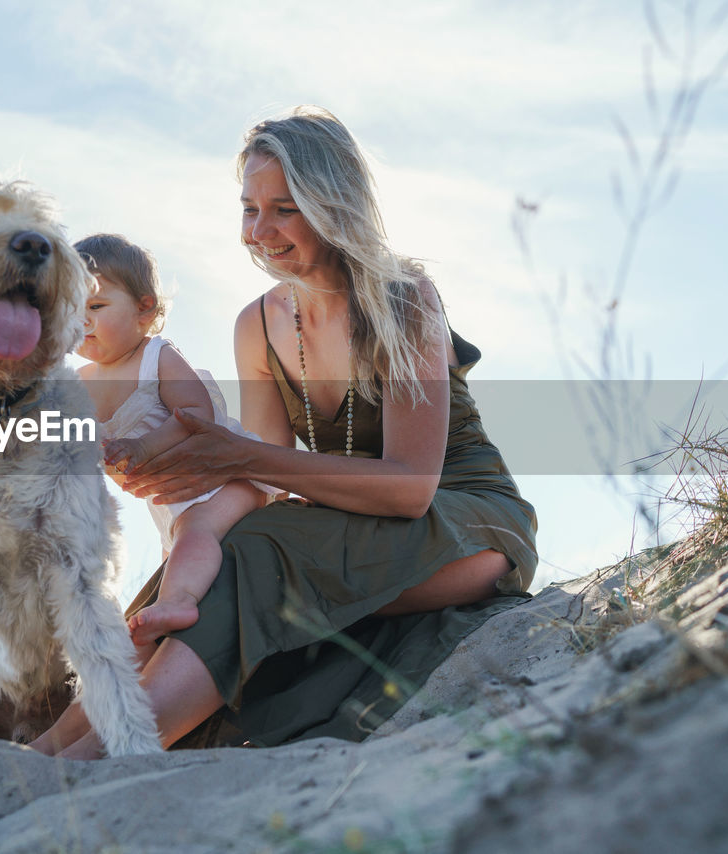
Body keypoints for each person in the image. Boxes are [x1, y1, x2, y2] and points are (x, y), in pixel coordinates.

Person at [32, 106, 537, 759]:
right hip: (360, 525)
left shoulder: (404, 298)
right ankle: (51, 750)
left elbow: (411, 489)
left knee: (260, 553)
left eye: (284, 209)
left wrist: (236, 455)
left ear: (331, 203)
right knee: (205, 566)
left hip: (467, 524)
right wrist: (195, 509)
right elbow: (261, 476)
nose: (261, 231)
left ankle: (95, 758)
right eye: (249, 209)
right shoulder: (258, 325)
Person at [72, 234, 271, 646]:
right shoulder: (79, 385)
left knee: (195, 535)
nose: (82, 320)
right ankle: (169, 608)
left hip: (220, 483)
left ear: (144, 309)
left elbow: (197, 414)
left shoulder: (155, 356)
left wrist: (143, 448)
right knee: (180, 550)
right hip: (170, 504)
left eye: (95, 306)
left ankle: (179, 602)